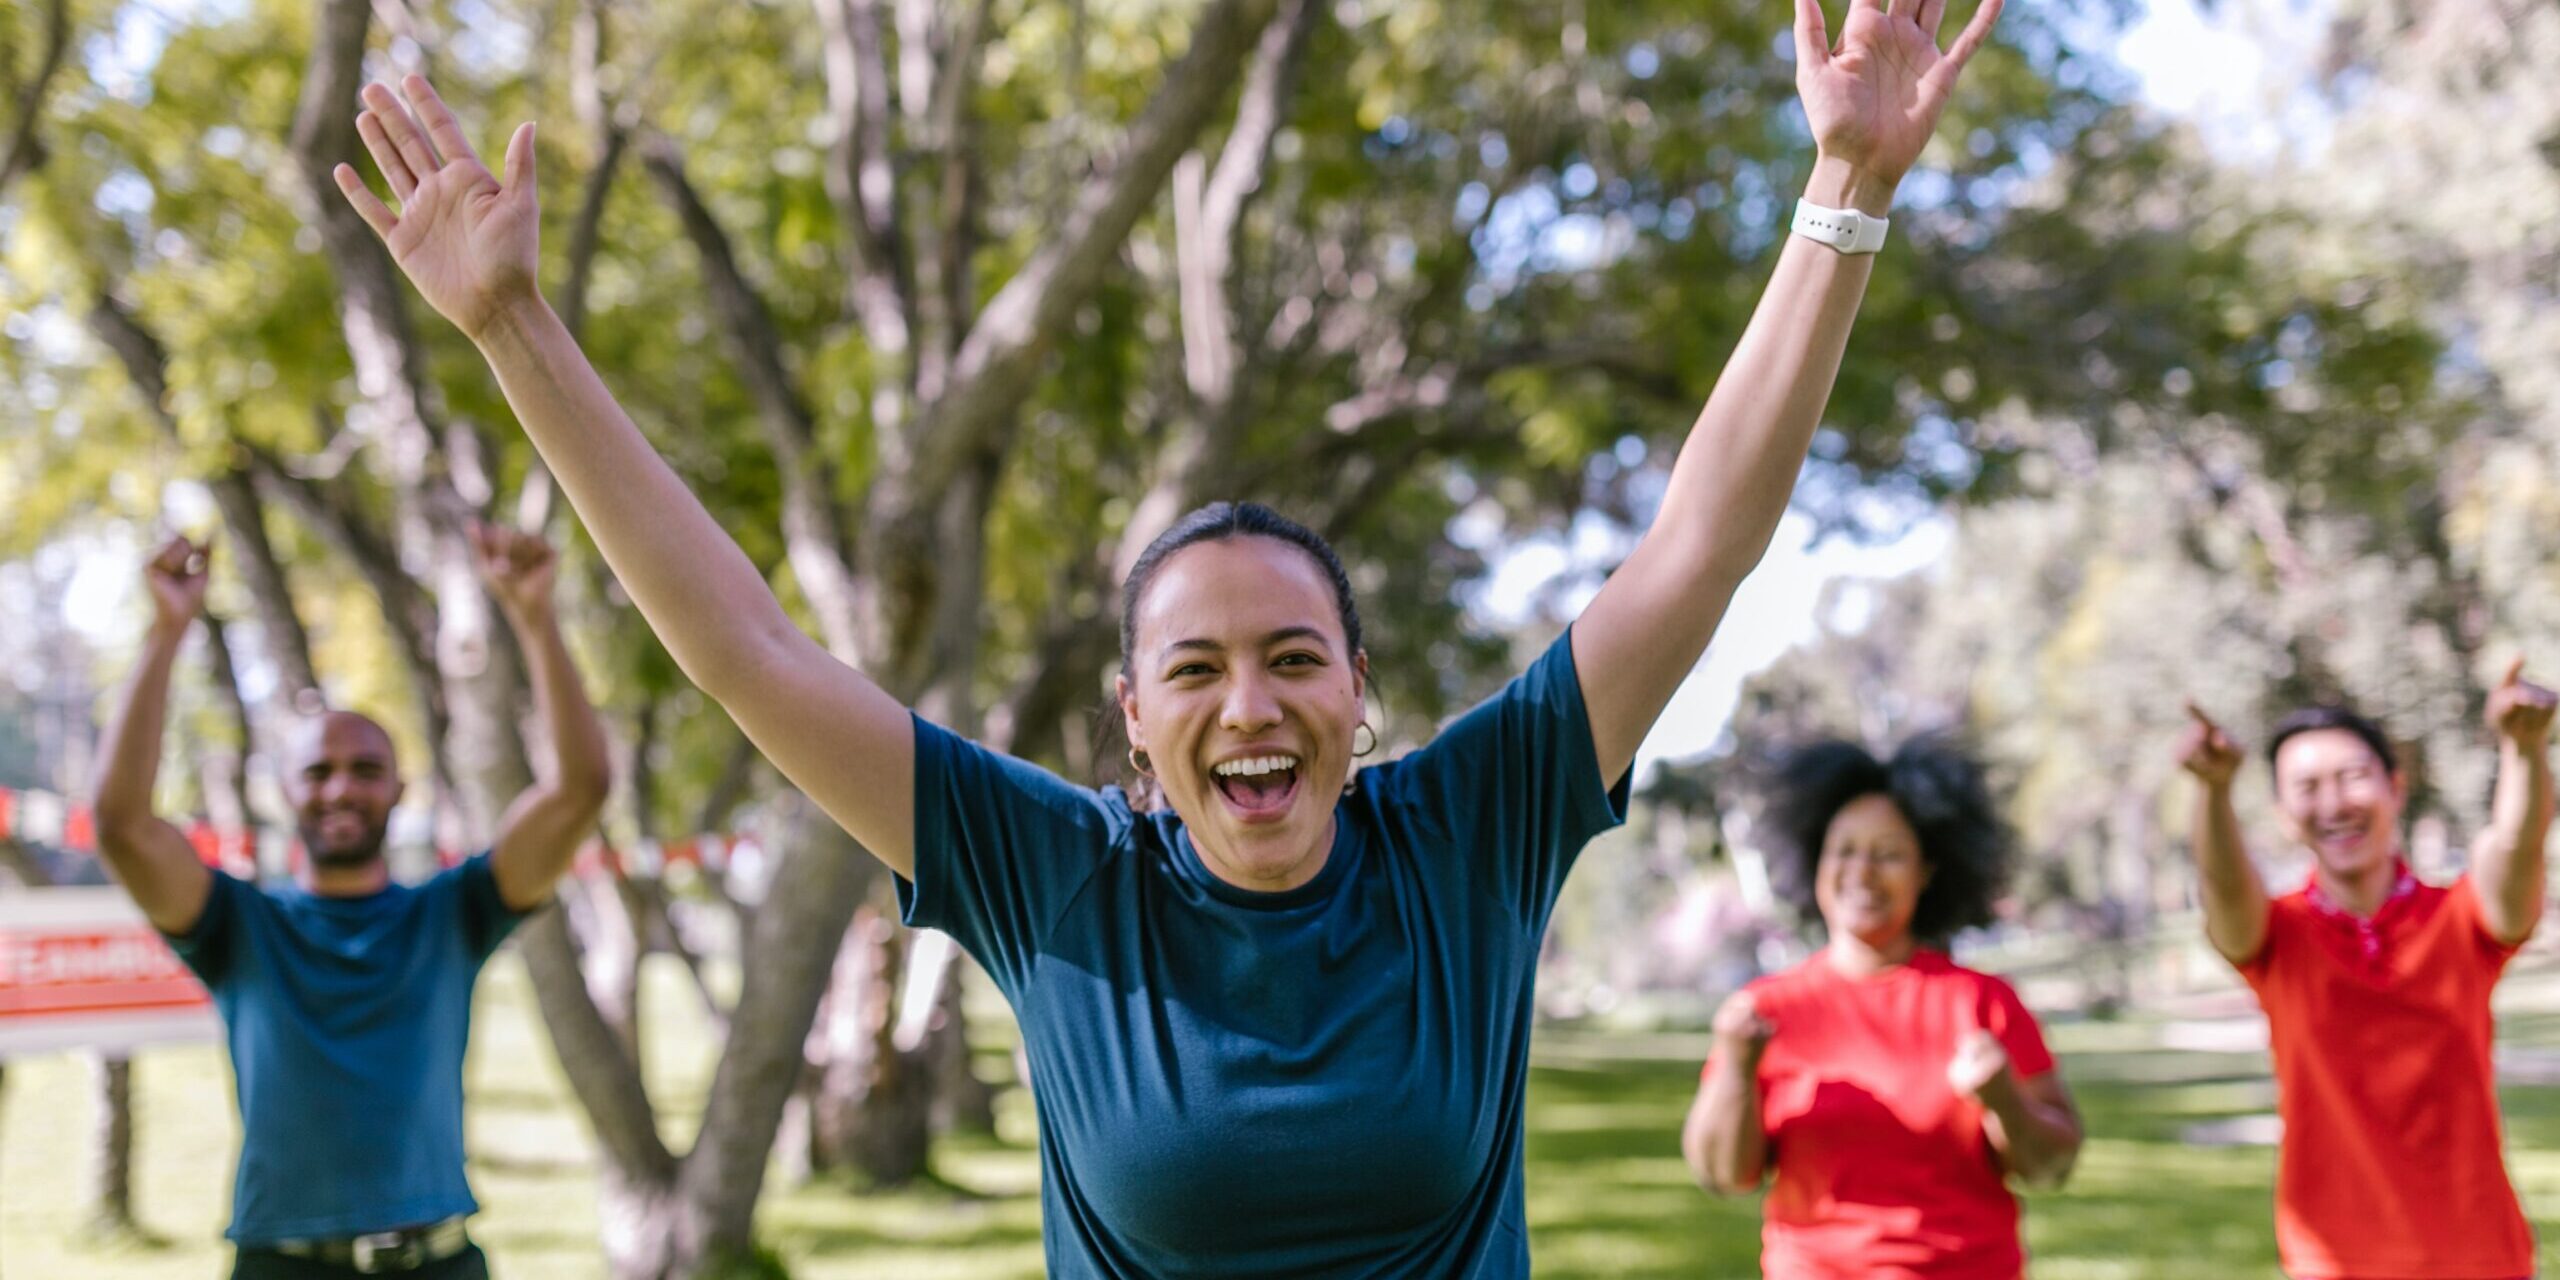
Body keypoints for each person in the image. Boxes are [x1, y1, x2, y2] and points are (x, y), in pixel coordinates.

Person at [331, 0, 2003, 1268]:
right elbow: (748, 654)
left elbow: (1695, 548)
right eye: (1194, 670)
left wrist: (1843, 189)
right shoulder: (1055, 876)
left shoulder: (1469, 836)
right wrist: (514, 328)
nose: (1249, 704)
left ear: (1360, 690)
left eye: (1291, 655)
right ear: (1135, 717)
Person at [90, 526, 611, 1279]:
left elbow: (578, 790)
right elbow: (122, 825)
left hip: (438, 1262)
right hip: (280, 1264)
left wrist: (534, 617)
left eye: (366, 769)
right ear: (287, 792)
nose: (341, 788)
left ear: (399, 790)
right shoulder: (239, 927)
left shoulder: (453, 914)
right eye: (319, 771)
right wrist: (168, 631)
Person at [2179, 667, 2554, 1280]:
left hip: (2481, 1256)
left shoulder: (2462, 919)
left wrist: (2525, 748)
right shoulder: (2276, 937)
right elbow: (2222, 884)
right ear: (2281, 814)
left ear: (2395, 789)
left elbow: (2516, 846)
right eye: (2307, 787)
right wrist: (2214, 791)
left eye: (2353, 777)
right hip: (2334, 1259)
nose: (2333, 804)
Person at [1682, 738, 2081, 1278]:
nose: (1862, 872)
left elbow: (2052, 1166)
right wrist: (1736, 1068)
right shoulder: (1763, 1011)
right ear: (1815, 859)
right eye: (1843, 850)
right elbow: (1722, 1176)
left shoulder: (1983, 1001)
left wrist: (2003, 1098)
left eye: (1888, 853)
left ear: (1927, 872)